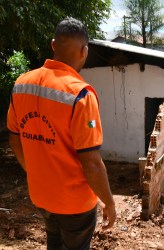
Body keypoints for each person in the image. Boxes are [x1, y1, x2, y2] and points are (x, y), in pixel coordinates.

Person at [7, 17, 116, 249]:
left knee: (54, 242)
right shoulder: (80, 95)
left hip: (41, 196)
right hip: (74, 204)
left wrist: (35, 172)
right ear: (84, 51)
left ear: (53, 45)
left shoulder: (22, 84)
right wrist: (109, 202)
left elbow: (14, 140)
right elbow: (92, 163)